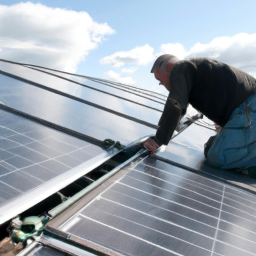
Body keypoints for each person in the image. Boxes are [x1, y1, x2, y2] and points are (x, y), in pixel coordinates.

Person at [144, 54, 256, 172]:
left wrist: (157, 140)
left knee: (218, 156)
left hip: (250, 108)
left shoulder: (180, 67)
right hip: (247, 109)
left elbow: (175, 105)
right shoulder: (194, 72)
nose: (162, 85)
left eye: (160, 80)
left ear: (170, 67)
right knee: (211, 147)